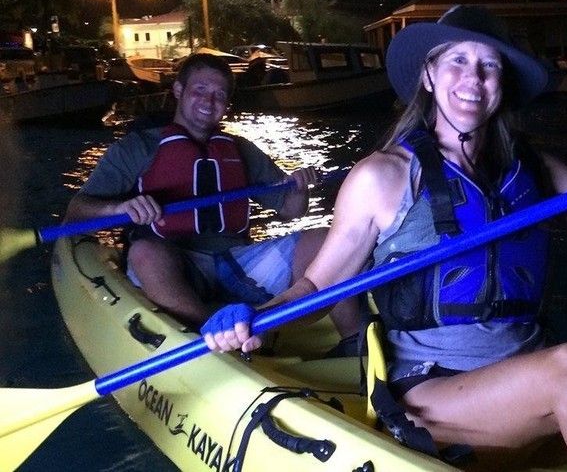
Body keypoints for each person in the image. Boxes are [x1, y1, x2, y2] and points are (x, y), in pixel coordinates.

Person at [201, 7, 567, 471]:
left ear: (502, 85)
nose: (473, 78)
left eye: (489, 66)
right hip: (434, 405)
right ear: (429, 76)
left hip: (534, 390)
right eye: (457, 61)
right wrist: (252, 319)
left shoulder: (534, 172)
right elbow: (317, 283)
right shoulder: (383, 176)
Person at [65, 53, 360, 337]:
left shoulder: (240, 149)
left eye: (219, 94)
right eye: (200, 89)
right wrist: (121, 208)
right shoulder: (137, 148)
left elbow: (291, 210)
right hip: (175, 263)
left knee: (326, 240)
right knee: (144, 251)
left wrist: (298, 186)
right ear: (179, 90)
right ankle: (215, 333)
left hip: (236, 261)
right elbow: (76, 211)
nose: (209, 101)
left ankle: (349, 340)